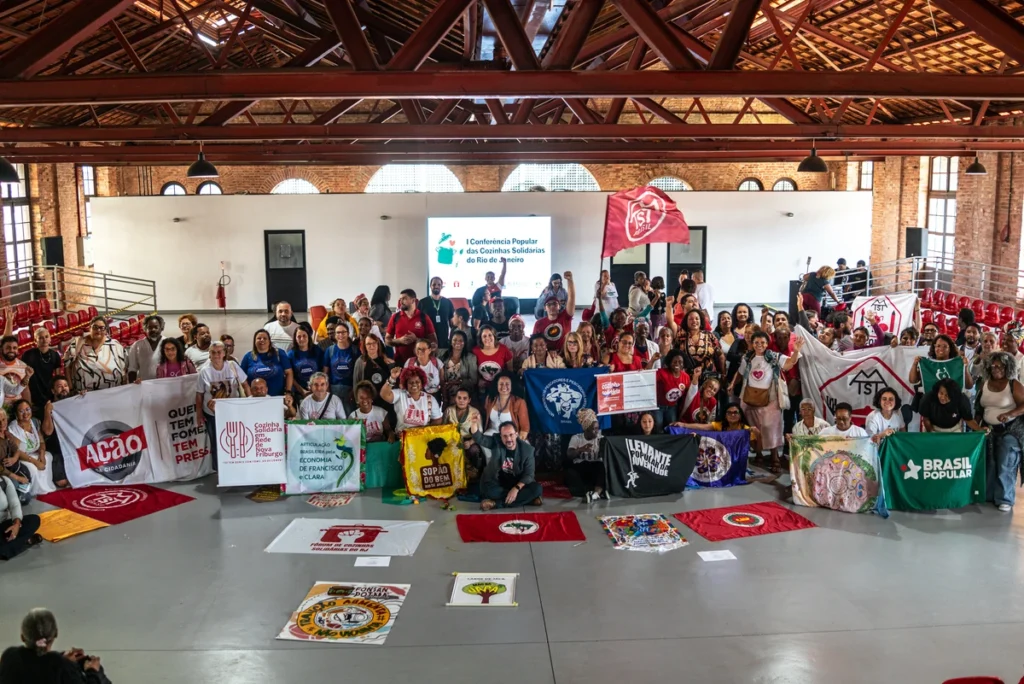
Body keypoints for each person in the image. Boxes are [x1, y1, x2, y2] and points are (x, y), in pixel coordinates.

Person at [731, 330, 803, 472]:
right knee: (754, 427)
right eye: (756, 342)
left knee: (772, 428)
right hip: (749, 397)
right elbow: (740, 372)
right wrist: (732, 384)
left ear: (767, 343)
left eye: (762, 342)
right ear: (751, 343)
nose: (759, 345)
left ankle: (774, 457)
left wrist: (795, 351)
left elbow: (789, 364)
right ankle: (758, 454)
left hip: (770, 398)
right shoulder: (747, 357)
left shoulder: (774, 356)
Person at [0, 608, 111, 682]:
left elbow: (35, 665)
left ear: (23, 637)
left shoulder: (9, 656)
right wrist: (93, 671)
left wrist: (64, 661)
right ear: (56, 633)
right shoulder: (62, 667)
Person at [976, 351, 1024, 512]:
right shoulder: (985, 383)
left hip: (1010, 430)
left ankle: (1005, 499)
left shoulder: (1013, 384)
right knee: (989, 462)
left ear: (1007, 367)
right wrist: (977, 424)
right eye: (993, 365)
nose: (996, 368)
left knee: (1006, 463)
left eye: (1000, 366)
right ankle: (989, 495)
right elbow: (979, 406)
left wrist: (1009, 413)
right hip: (989, 429)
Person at [471, 416, 542, 510]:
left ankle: (496, 504)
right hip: (498, 482)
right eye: (505, 436)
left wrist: (516, 489)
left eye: (511, 435)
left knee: (537, 489)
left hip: (516, 481)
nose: (508, 439)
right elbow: (479, 438)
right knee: (489, 491)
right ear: (500, 436)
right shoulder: (496, 442)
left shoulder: (527, 450)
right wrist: (474, 423)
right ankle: (527, 499)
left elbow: (529, 475)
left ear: (516, 434)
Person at [195, 341, 249, 467]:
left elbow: (245, 384)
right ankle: (219, 468)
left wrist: (249, 403)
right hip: (212, 415)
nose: (216, 355)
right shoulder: (204, 371)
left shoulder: (232, 366)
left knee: (235, 440)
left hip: (233, 413)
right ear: (209, 354)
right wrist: (198, 414)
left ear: (224, 353)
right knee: (216, 442)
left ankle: (236, 465)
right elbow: (199, 394)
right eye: (213, 352)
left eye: (219, 352)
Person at [7, 399, 55, 496]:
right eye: (21, 411)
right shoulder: (13, 427)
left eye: (27, 409)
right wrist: (36, 462)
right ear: (16, 414)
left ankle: (46, 487)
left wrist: (41, 454)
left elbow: (41, 441)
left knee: (47, 456)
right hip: (22, 457)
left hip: (34, 453)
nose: (25, 414)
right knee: (32, 467)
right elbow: (17, 451)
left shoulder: (34, 422)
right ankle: (34, 492)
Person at [68, 317, 128, 394]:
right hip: (84, 394)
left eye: (102, 328)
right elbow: (67, 365)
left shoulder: (115, 345)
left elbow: (125, 368)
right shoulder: (77, 343)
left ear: (106, 330)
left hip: (112, 393)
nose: (98, 330)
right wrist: (70, 387)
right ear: (90, 328)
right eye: (95, 327)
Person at [675, 400, 761, 453]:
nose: (732, 415)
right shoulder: (720, 425)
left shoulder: (745, 429)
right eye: (729, 413)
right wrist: (683, 424)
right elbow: (701, 427)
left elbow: (758, 450)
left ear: (740, 415)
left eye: (735, 412)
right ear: (725, 415)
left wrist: (758, 435)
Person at [380, 366, 442, 434]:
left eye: (417, 381)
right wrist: (392, 378)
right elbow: (384, 394)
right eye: (410, 382)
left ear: (422, 383)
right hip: (402, 438)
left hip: (422, 437)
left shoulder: (430, 399)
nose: (414, 384)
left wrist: (425, 431)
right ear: (406, 384)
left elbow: (437, 420)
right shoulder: (400, 394)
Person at [386, 289, 437, 366]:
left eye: (404, 298)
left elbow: (434, 343)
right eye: (400, 299)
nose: (401, 302)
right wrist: (399, 341)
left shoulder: (424, 317)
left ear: (413, 300)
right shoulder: (395, 317)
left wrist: (417, 340)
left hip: (420, 363)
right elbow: (387, 340)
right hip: (400, 362)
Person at [565, 408, 605, 502]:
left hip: (596, 467)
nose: (597, 431)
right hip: (581, 468)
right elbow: (569, 454)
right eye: (594, 429)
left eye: (597, 428)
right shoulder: (576, 438)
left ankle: (595, 494)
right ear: (586, 429)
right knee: (570, 473)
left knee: (602, 468)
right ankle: (590, 492)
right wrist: (581, 449)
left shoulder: (601, 439)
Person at [909, 333, 973, 390]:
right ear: (934, 348)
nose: (941, 348)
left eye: (945, 346)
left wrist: (965, 368)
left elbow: (969, 386)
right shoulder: (928, 364)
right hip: (932, 400)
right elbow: (912, 381)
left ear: (950, 348)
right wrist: (915, 364)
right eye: (938, 346)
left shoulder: (958, 364)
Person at [920, 377, 985, 433]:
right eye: (941, 393)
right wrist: (932, 433)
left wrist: (980, 429)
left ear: (953, 395)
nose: (942, 397)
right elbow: (926, 419)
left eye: (947, 395)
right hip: (932, 428)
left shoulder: (961, 399)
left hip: (954, 430)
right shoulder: (928, 398)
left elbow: (968, 420)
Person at [240, 329, 293, 397]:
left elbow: (289, 373)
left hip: (278, 398)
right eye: (259, 338)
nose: (262, 340)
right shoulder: (248, 357)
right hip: (256, 399)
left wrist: (288, 392)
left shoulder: (279, 353)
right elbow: (242, 379)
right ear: (254, 341)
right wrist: (249, 395)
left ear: (269, 341)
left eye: (265, 338)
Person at [532, 271, 576, 351]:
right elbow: (534, 343)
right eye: (549, 305)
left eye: (555, 304)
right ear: (545, 308)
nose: (552, 306)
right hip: (546, 356)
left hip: (564, 354)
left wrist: (570, 281)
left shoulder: (565, 318)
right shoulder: (539, 324)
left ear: (559, 306)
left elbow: (571, 299)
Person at [39, 377, 70, 489]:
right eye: (59, 386)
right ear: (53, 391)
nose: (63, 388)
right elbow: (47, 431)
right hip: (56, 449)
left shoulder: (75, 402)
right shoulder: (49, 406)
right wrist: (47, 412)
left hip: (73, 447)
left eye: (65, 385)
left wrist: (83, 398)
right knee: (62, 482)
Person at [445, 388, 483, 479]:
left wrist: (470, 442)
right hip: (452, 439)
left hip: (469, 439)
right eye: (459, 398)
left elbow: (480, 432)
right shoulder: (449, 410)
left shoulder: (475, 412)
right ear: (455, 399)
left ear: (469, 400)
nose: (461, 401)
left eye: (465, 398)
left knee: (474, 450)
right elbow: (443, 428)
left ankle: (474, 474)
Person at [352, 334, 394, 410]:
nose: (372, 346)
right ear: (365, 346)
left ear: (378, 344)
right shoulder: (360, 362)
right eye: (368, 344)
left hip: (385, 401)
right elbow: (356, 383)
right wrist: (358, 401)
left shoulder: (386, 360)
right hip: (368, 402)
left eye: (374, 343)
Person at [482, 371, 529, 439]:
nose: (504, 386)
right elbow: (485, 417)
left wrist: (516, 445)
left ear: (512, 386)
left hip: (511, 437)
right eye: (501, 384)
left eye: (507, 384)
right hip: (492, 434)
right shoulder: (490, 399)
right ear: (496, 385)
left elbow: (525, 428)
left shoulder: (519, 402)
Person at [324, 322, 358, 414]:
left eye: (343, 332)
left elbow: (358, 373)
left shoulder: (355, 350)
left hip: (350, 389)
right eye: (338, 332)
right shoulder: (330, 350)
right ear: (335, 334)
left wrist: (354, 389)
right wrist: (327, 389)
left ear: (348, 333)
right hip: (333, 389)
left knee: (350, 416)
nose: (340, 335)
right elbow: (325, 372)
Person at [679, 309, 724, 376]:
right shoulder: (681, 337)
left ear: (701, 321)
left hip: (709, 377)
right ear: (686, 322)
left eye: (697, 319)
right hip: (687, 377)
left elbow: (720, 356)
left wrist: (723, 373)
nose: (694, 321)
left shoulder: (709, 335)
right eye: (691, 319)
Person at [655, 349, 691, 429]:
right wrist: (652, 361)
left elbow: (688, 394)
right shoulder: (662, 373)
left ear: (683, 364)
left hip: (672, 407)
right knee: (658, 426)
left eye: (680, 362)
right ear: (670, 362)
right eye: (674, 361)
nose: (677, 364)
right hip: (658, 406)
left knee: (673, 427)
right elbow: (648, 377)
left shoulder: (686, 377)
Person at [440, 330, 478, 408]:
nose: (458, 342)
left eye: (461, 340)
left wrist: (456, 382)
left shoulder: (471, 358)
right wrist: (445, 398)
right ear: (451, 341)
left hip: (464, 395)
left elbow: (473, 380)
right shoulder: (443, 356)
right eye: (455, 340)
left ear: (465, 342)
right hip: (447, 395)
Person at [472, 324, 513, 396]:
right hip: (483, 389)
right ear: (480, 339)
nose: (487, 338)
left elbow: (510, 371)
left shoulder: (503, 349)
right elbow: (473, 370)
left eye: (490, 335)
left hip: (501, 388)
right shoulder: (475, 351)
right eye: (484, 336)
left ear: (494, 336)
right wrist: (478, 380)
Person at [288, 326, 324, 400]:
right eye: (299, 337)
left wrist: (317, 388)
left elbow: (323, 370)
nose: (302, 339)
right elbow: (290, 376)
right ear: (295, 339)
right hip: (300, 393)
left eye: (304, 336)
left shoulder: (317, 350)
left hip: (318, 390)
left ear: (308, 337)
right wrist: (302, 391)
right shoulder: (291, 354)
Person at [126, 314, 164, 383]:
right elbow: (132, 368)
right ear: (145, 329)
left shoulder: (168, 343)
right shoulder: (136, 345)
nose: (153, 330)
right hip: (143, 386)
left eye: (156, 327)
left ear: (161, 328)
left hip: (164, 385)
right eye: (150, 327)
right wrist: (132, 385)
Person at [419, 277, 454, 351]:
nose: (436, 286)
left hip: (443, 340)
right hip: (427, 340)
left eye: (439, 284)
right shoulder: (422, 302)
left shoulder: (448, 302)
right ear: (430, 286)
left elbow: (452, 323)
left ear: (441, 286)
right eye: (434, 284)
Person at [472, 258, 507, 323]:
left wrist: (504, 263)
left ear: (494, 278)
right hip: (485, 314)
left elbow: (503, 275)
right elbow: (475, 303)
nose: (490, 278)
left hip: (496, 313)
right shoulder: (480, 290)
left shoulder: (498, 286)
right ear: (485, 278)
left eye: (491, 277)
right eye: (488, 277)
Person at [0, 335, 29, 410]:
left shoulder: (23, 366)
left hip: (18, 409)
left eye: (14, 348)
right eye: (8, 348)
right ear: (1, 349)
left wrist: (28, 407)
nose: (11, 350)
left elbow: (25, 390)